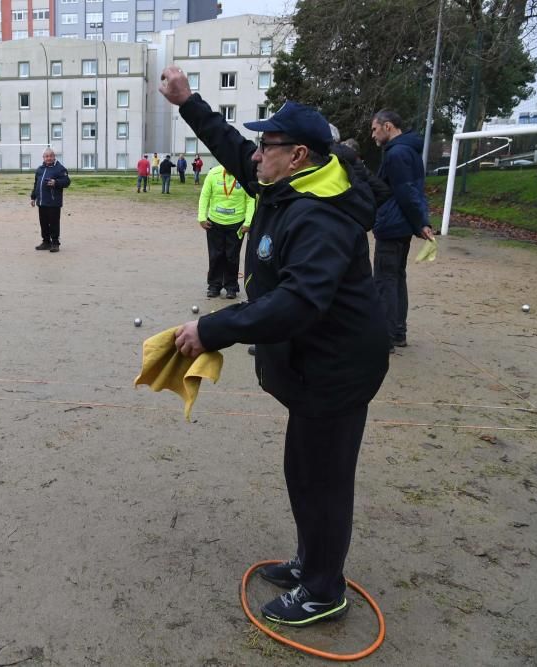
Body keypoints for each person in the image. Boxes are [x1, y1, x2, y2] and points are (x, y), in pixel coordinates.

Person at [160, 66, 390, 627]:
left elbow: (297, 303)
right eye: (261, 145)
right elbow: (233, 148)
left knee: (323, 479)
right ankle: (310, 562)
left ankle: (323, 588)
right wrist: (189, 102)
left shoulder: (323, 216)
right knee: (302, 470)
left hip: (336, 370)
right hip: (312, 367)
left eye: (270, 146)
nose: (258, 155)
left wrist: (211, 330)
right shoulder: (286, 182)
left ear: (301, 155)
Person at [370, 109, 434, 351]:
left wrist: (421, 222)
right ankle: (397, 332)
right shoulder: (408, 151)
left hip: (392, 224)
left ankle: (386, 336)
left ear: (388, 127)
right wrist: (420, 222)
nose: (373, 135)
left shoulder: (396, 153)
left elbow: (405, 191)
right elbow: (412, 190)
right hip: (401, 224)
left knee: (385, 280)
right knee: (396, 278)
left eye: (375, 129)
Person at [198, 163, 254, 299]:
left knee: (232, 257)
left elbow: (251, 200)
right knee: (215, 255)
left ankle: (231, 287)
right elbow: (205, 195)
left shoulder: (244, 176)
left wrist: (248, 222)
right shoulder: (213, 173)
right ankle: (214, 286)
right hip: (214, 223)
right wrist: (201, 217)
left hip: (236, 224)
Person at [30, 148, 71, 252]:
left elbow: (67, 181)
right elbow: (36, 185)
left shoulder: (60, 168)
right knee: (43, 223)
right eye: (46, 156)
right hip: (42, 202)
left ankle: (55, 243)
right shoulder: (40, 169)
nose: (49, 158)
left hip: (54, 202)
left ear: (54, 157)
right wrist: (33, 197)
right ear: (43, 158)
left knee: (54, 223)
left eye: (51, 156)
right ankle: (46, 242)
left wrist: (56, 182)